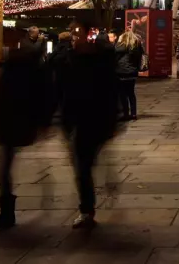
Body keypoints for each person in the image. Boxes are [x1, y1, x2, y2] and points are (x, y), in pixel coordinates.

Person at [62, 20, 118, 229]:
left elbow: (110, 92)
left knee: (83, 166)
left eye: (76, 31)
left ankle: (87, 208)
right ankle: (87, 207)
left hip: (95, 119)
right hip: (79, 121)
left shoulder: (100, 60)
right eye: (71, 32)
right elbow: (64, 90)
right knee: (82, 167)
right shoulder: (70, 58)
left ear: (88, 35)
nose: (73, 35)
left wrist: (112, 120)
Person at [0, 47, 51, 229]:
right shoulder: (36, 73)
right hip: (21, 125)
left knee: (4, 168)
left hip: (8, 125)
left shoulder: (11, 72)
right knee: (5, 167)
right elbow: (44, 98)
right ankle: (7, 211)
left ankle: (7, 212)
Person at [114, 31, 144, 121]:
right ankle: (134, 114)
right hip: (132, 72)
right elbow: (139, 59)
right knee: (131, 93)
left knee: (123, 94)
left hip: (121, 72)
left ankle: (126, 114)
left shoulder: (118, 47)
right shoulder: (137, 47)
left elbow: (115, 58)